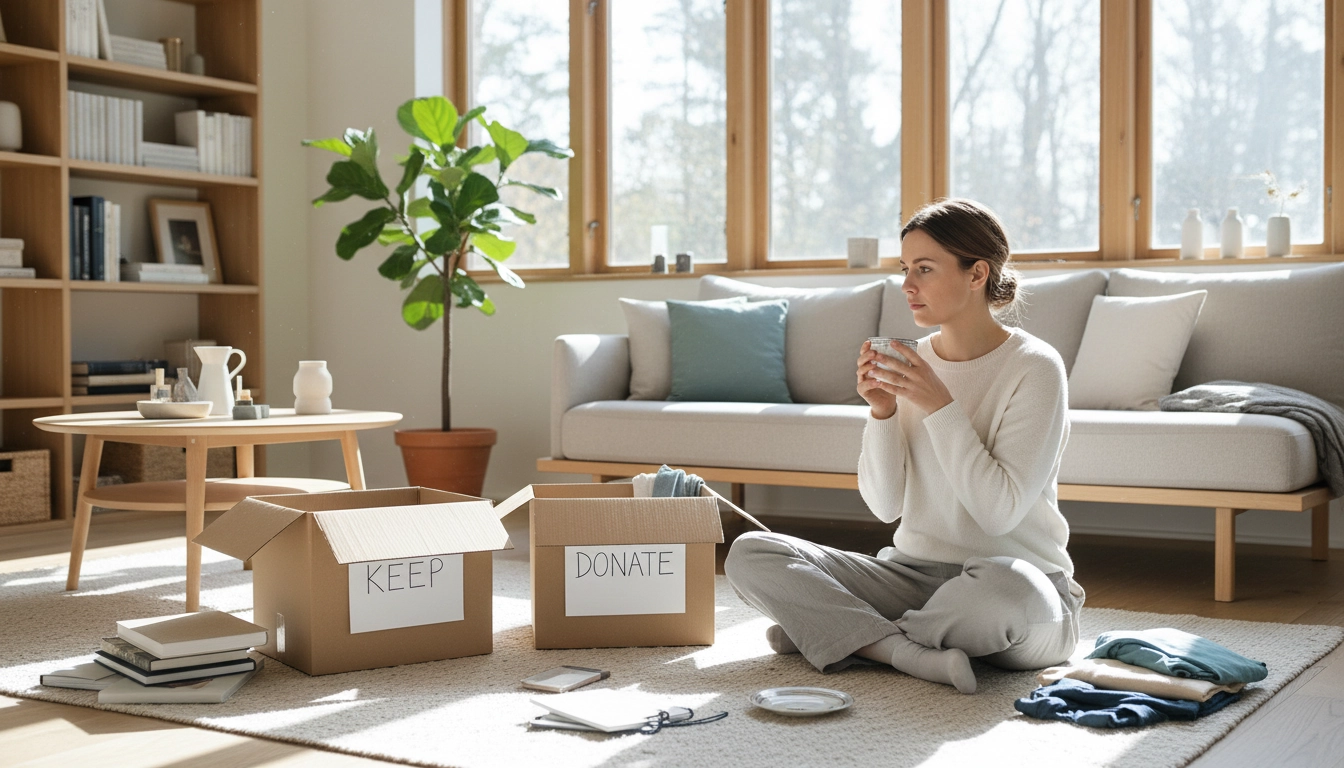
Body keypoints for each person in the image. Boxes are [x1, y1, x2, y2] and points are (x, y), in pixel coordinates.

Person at [724, 198, 1084, 694]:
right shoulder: (909, 363)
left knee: (1003, 596)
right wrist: (882, 413)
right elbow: (884, 506)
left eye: (925, 269)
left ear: (977, 273)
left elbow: (997, 515)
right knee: (751, 553)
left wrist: (939, 404)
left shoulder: (1035, 367)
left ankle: (843, 633)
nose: (908, 285)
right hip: (911, 579)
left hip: (1021, 586)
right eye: (905, 269)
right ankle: (898, 650)